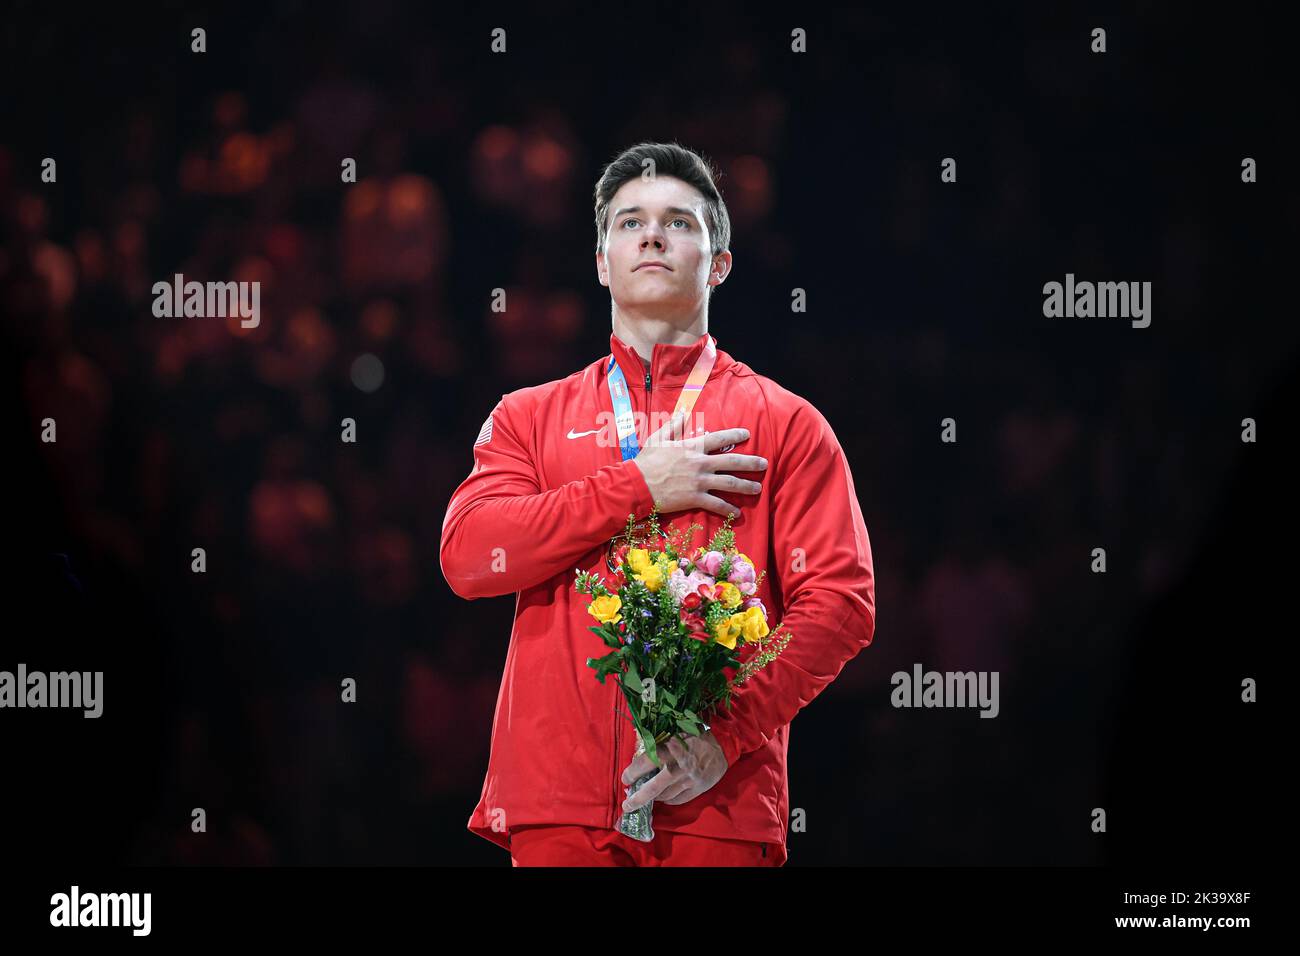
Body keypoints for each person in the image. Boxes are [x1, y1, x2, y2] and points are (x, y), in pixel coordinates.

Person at [440, 142, 876, 866]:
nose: (651, 234)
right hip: (560, 807)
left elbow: (840, 601)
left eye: (679, 222)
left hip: (716, 802)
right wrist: (641, 487)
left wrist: (724, 735)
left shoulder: (786, 423)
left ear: (719, 263)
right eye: (628, 222)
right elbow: (468, 556)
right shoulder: (529, 416)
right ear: (603, 262)